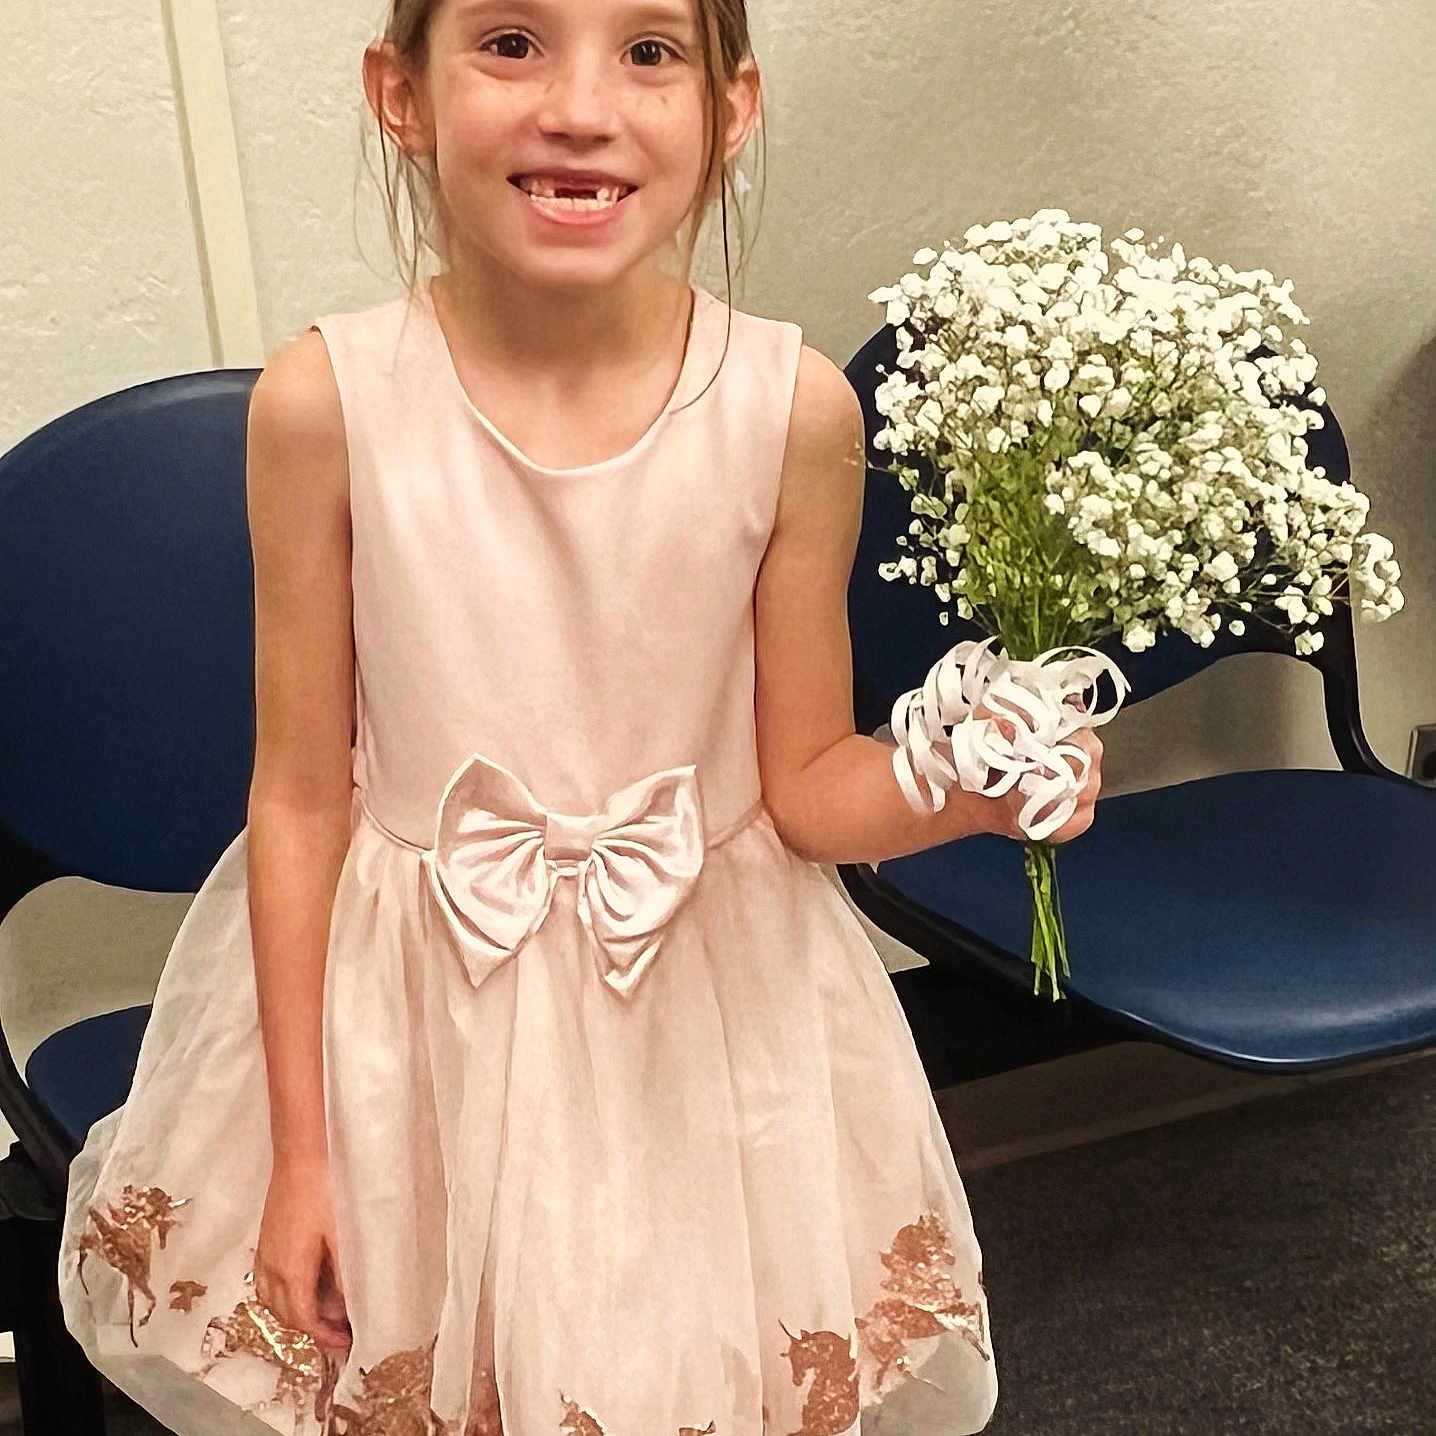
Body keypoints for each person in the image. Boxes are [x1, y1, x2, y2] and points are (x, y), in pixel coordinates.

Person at [56, 0, 1103, 1432]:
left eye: (649, 51)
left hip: (709, 1033)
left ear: (730, 110)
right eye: (510, 41)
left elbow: (804, 789)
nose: (579, 105)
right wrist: (306, 1158)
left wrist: (966, 782)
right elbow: (299, 797)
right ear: (400, 92)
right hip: (419, 1033)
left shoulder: (790, 413)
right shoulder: (324, 404)